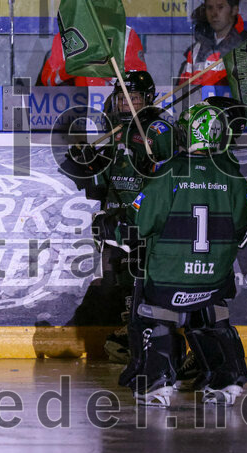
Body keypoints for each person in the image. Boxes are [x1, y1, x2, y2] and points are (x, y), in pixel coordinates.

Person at [115, 102, 247, 406]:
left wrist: (111, 228)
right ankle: (227, 380)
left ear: (184, 133)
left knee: (154, 315)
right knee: (212, 314)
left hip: (169, 279)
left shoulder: (170, 172)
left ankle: (156, 383)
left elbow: (140, 223)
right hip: (214, 280)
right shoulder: (232, 175)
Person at [60, 71, 174, 370]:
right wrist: (87, 160)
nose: (126, 104)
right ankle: (134, 336)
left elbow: (169, 177)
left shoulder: (158, 129)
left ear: (148, 98)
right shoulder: (116, 130)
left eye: (133, 98)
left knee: (145, 281)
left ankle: (153, 341)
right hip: (114, 217)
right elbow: (104, 178)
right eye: (122, 97)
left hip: (143, 218)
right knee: (119, 282)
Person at [39, 0, 147, 86]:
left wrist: (102, 69)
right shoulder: (66, 36)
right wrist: (70, 68)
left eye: (95, 0)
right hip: (75, 101)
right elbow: (47, 80)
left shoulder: (126, 35)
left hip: (114, 102)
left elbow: (139, 82)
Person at [177, 0, 247, 86]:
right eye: (210, 7)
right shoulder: (197, 50)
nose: (214, 14)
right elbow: (183, 95)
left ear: (234, 10)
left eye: (220, 7)